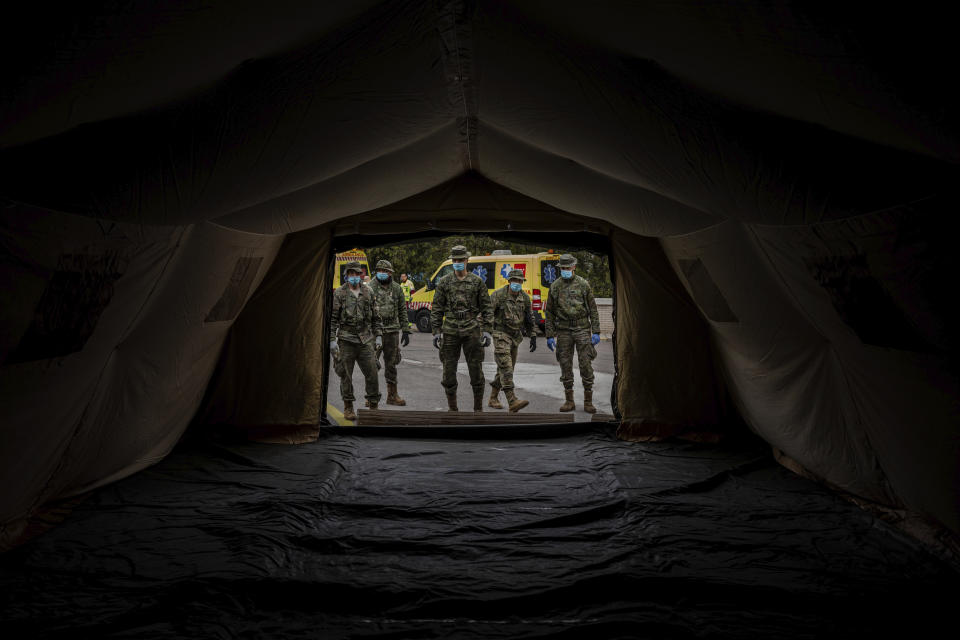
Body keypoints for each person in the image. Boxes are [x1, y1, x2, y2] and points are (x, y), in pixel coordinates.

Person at [430, 245, 493, 411]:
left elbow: (487, 307)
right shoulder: (444, 282)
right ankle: (453, 409)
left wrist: (487, 331)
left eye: (460, 260)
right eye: (455, 260)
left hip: (472, 329)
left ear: (467, 261)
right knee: (448, 372)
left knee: (476, 371)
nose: (457, 263)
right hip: (450, 329)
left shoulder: (477, 282)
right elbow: (436, 308)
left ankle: (478, 409)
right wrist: (436, 332)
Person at [544, 253, 601, 413]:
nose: (565, 270)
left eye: (568, 267)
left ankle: (588, 401)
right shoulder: (555, 286)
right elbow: (549, 313)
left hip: (582, 328)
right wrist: (549, 335)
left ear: (574, 267)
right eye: (562, 268)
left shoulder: (583, 284)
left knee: (585, 364)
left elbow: (593, 310)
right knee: (565, 364)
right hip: (563, 331)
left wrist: (596, 331)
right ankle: (569, 401)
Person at [330, 261, 383, 421]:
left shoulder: (368, 292)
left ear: (361, 274)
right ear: (346, 275)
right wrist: (332, 339)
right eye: (351, 274)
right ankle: (348, 407)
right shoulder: (340, 293)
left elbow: (376, 317)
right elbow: (332, 319)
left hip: (366, 339)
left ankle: (373, 405)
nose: (354, 277)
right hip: (346, 339)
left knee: (372, 373)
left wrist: (379, 335)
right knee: (345, 375)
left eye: (356, 274)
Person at [487, 268, 536, 412]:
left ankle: (493, 398)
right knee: (506, 367)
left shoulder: (525, 298)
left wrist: (532, 335)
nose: (517, 283)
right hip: (501, 334)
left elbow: (529, 318)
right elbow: (487, 313)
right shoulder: (498, 295)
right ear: (509, 281)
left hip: (515, 337)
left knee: (505, 368)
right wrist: (484, 333)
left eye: (519, 281)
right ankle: (512, 401)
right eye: (514, 280)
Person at [371, 259, 412, 406]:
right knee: (371, 364)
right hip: (375, 332)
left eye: (386, 271)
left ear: (390, 273)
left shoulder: (396, 288)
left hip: (393, 331)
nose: (383, 273)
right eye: (380, 271)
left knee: (391, 365)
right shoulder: (370, 288)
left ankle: (392, 396)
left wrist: (406, 330)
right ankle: (371, 397)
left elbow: (402, 310)